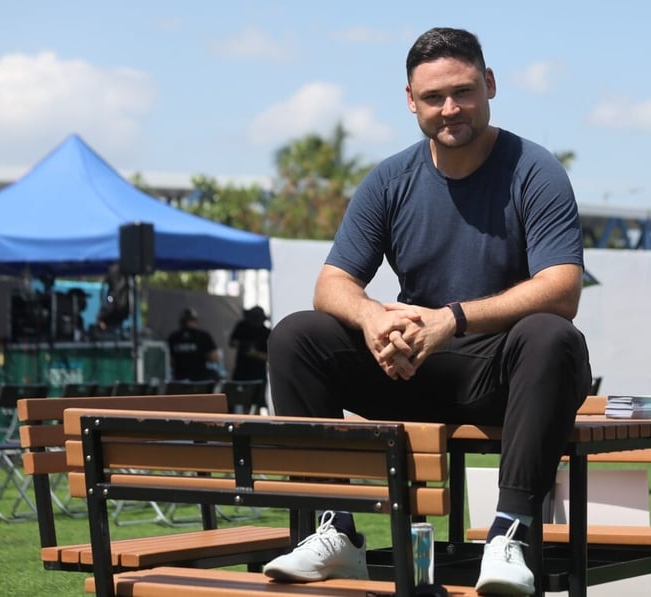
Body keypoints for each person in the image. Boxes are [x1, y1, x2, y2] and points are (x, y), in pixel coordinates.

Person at [260, 27, 592, 595]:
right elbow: (332, 282)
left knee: (551, 335)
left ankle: (508, 535)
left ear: (489, 84)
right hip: (410, 372)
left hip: (503, 375)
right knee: (297, 335)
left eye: (463, 91)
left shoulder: (534, 171)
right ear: (411, 101)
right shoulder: (390, 179)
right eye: (434, 97)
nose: (450, 108)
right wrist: (372, 319)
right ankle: (333, 529)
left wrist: (451, 319)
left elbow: (563, 286)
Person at [166, 307, 221, 382]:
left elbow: (214, 358)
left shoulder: (174, 337)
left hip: (190, 379)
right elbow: (214, 358)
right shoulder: (174, 337)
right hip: (190, 380)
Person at [229, 306, 270, 382]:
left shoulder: (266, 332)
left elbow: (270, 357)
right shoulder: (242, 326)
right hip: (241, 372)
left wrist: (255, 353)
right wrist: (241, 344)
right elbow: (232, 342)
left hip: (258, 373)